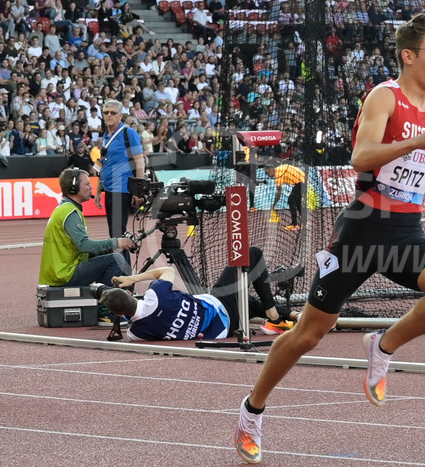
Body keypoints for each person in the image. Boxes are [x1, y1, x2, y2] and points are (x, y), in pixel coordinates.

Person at [233, 13, 425, 465]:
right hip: (361, 229)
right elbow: (361, 158)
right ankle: (251, 412)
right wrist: (417, 140)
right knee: (307, 334)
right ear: (409, 55)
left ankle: (382, 346)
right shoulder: (385, 96)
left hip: (405, 231)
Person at [99, 247, 294, 341]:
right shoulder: (156, 294)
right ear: (129, 293)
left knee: (249, 303)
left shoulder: (136, 333)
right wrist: (133, 279)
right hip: (219, 305)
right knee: (252, 254)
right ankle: (273, 316)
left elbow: (133, 319)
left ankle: (294, 315)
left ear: (119, 314)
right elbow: (166, 271)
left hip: (224, 330)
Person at [39, 167, 135, 288]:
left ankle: (103, 297)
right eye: (87, 184)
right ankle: (104, 303)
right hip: (64, 274)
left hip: (61, 270)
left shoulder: (66, 209)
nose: (91, 187)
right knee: (117, 260)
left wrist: (110, 247)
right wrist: (116, 242)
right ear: (73, 188)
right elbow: (84, 245)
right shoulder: (70, 212)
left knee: (111, 253)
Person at [94, 99, 146, 259]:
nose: (108, 115)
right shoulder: (106, 135)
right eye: (106, 112)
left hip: (122, 189)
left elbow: (139, 161)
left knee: (117, 234)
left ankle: (124, 278)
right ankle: (122, 276)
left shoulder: (128, 133)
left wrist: (138, 190)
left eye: (113, 113)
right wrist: (98, 191)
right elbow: (102, 165)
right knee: (115, 233)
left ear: (120, 115)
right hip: (109, 189)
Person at [264, 160, 307, 231]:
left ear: (271, 169)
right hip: (303, 180)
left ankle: (294, 224)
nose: (267, 175)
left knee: (291, 201)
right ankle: (304, 222)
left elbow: (279, 193)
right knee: (297, 202)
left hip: (301, 182)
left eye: (267, 172)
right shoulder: (279, 168)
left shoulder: (278, 175)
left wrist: (274, 204)